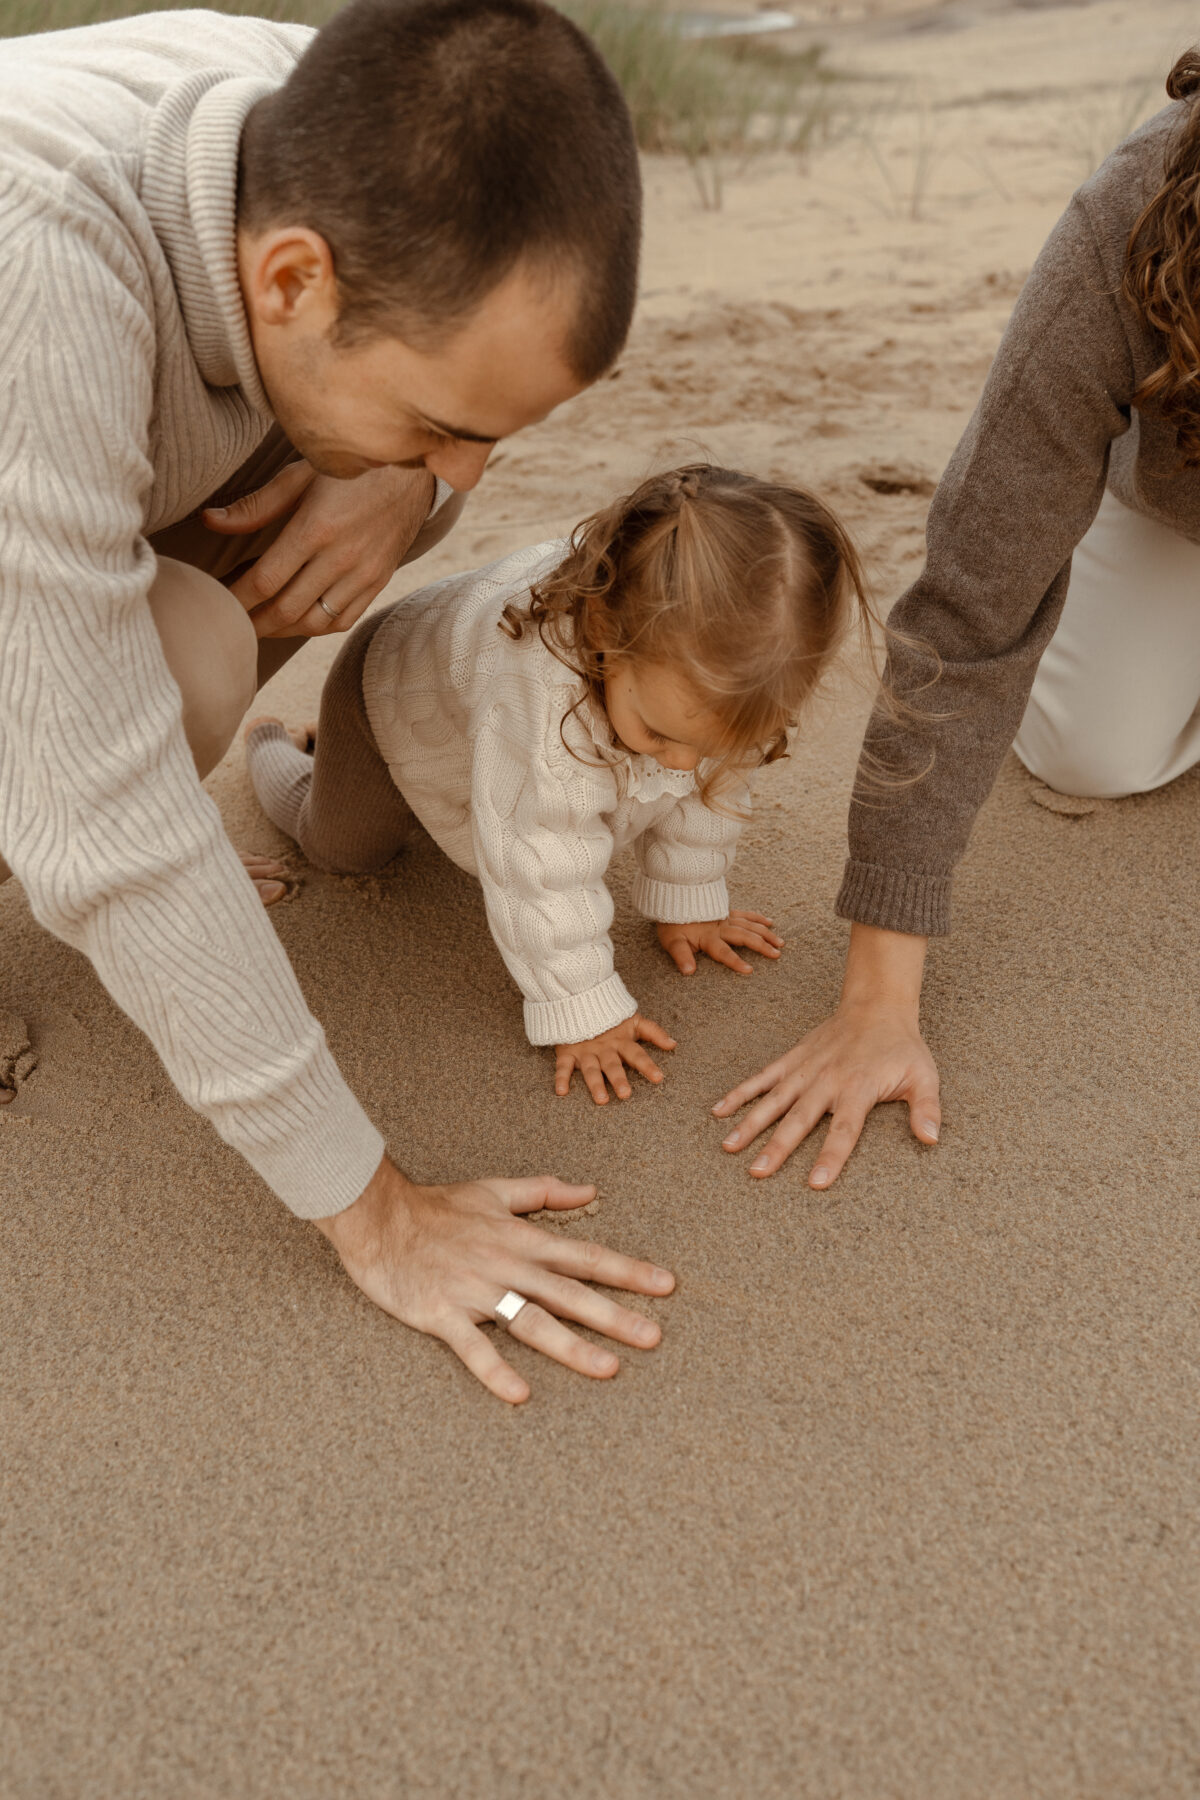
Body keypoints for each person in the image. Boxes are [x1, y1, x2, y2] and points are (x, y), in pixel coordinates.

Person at [0, 0, 676, 1406]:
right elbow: (108, 820)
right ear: (294, 280)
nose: (468, 466)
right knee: (168, 677)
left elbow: (446, 403)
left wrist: (403, 473)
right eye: (446, 426)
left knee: (341, 507)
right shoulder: (41, 269)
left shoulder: (307, 122)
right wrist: (380, 1217)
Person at [713, 48, 1200, 1187]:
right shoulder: (1122, 228)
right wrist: (876, 1001)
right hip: (1176, 499)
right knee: (1092, 753)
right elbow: (969, 612)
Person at [244, 464, 873, 1101]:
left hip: (476, 720)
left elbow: (711, 785)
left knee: (667, 753)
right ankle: (276, 747)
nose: (683, 766)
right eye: (660, 735)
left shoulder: (730, 674)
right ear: (602, 635)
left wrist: (689, 901)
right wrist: (585, 1009)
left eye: (709, 745)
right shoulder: (541, 696)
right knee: (343, 850)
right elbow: (539, 861)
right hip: (387, 700)